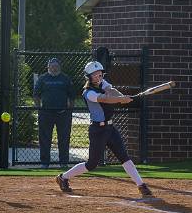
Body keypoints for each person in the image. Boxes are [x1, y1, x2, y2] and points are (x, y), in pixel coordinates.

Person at [55, 61, 152, 196]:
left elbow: (111, 91)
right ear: (88, 77)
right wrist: (120, 100)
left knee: (124, 157)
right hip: (98, 131)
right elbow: (105, 99)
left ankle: (141, 185)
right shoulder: (88, 93)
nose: (98, 76)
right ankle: (63, 177)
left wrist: (121, 97)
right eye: (94, 74)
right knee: (92, 164)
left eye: (99, 73)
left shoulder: (103, 83)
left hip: (110, 129)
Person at [34, 58, 75, 169]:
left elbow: (72, 96)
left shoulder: (65, 79)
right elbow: (36, 95)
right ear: (48, 67)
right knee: (44, 139)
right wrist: (39, 109)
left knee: (64, 138)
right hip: (46, 114)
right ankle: (45, 163)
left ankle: (63, 162)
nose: (54, 68)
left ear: (59, 67)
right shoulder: (42, 79)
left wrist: (69, 111)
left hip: (63, 114)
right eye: (51, 66)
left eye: (56, 66)